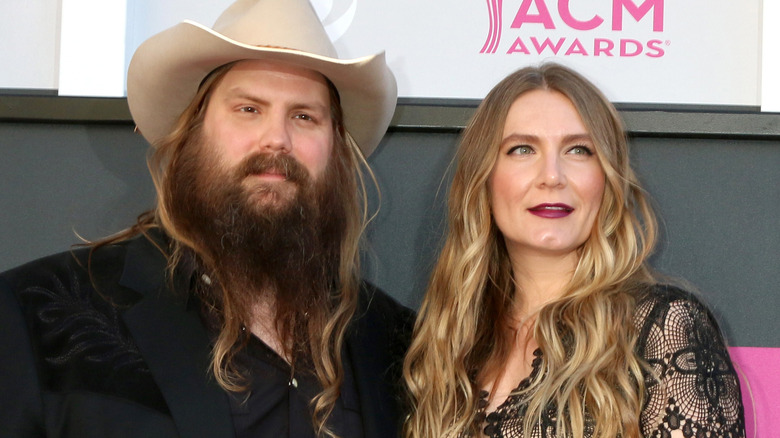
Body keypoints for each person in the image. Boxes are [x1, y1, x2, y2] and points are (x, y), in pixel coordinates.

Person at [0, 0, 414, 437]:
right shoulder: (38, 316)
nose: (277, 138)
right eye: (248, 109)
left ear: (334, 151)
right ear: (193, 132)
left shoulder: (394, 341)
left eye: (304, 116)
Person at [402, 63, 745, 438]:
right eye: (522, 149)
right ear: (483, 179)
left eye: (579, 150)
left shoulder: (660, 328)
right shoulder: (453, 346)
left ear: (607, 178)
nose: (552, 175)